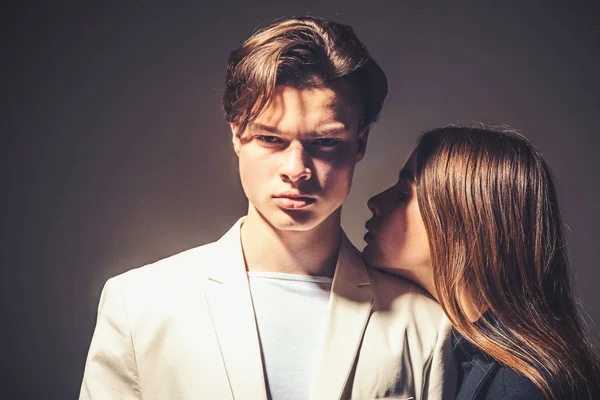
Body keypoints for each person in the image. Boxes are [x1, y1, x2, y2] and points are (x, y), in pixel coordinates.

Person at [79, 16, 457, 400]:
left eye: (325, 142)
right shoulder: (138, 304)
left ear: (359, 143)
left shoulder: (424, 323)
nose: (296, 170)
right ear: (237, 136)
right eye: (270, 138)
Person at [364, 125, 600, 400]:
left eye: (404, 194)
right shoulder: (455, 350)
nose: (375, 202)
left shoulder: (520, 387)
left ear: (463, 226)